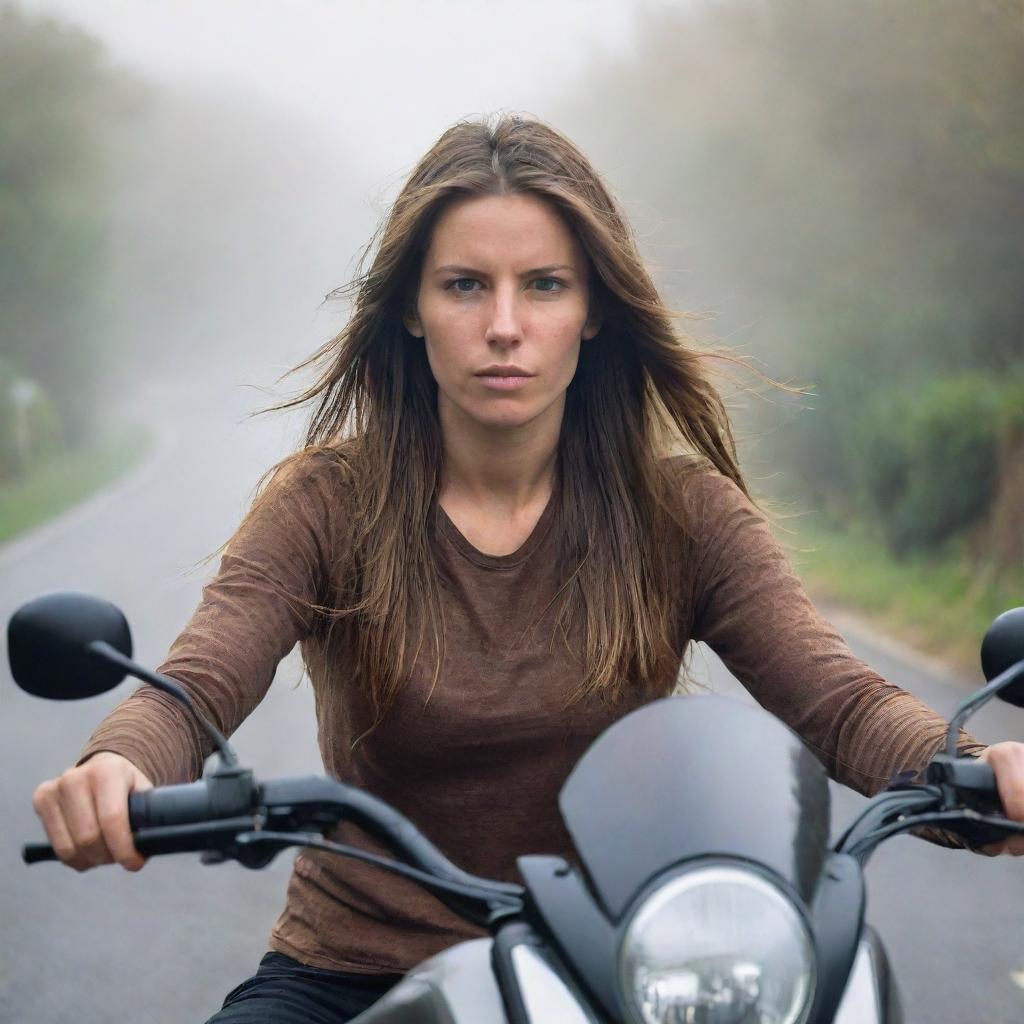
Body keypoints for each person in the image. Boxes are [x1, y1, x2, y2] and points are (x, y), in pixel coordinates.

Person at [30, 113, 1024, 1023]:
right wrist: (117, 763)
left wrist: (978, 773)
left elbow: (839, 700)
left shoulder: (680, 511)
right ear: (413, 308)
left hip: (620, 969)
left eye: (542, 285)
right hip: (359, 971)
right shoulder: (328, 500)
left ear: (591, 310)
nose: (503, 324)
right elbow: (200, 679)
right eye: (465, 284)